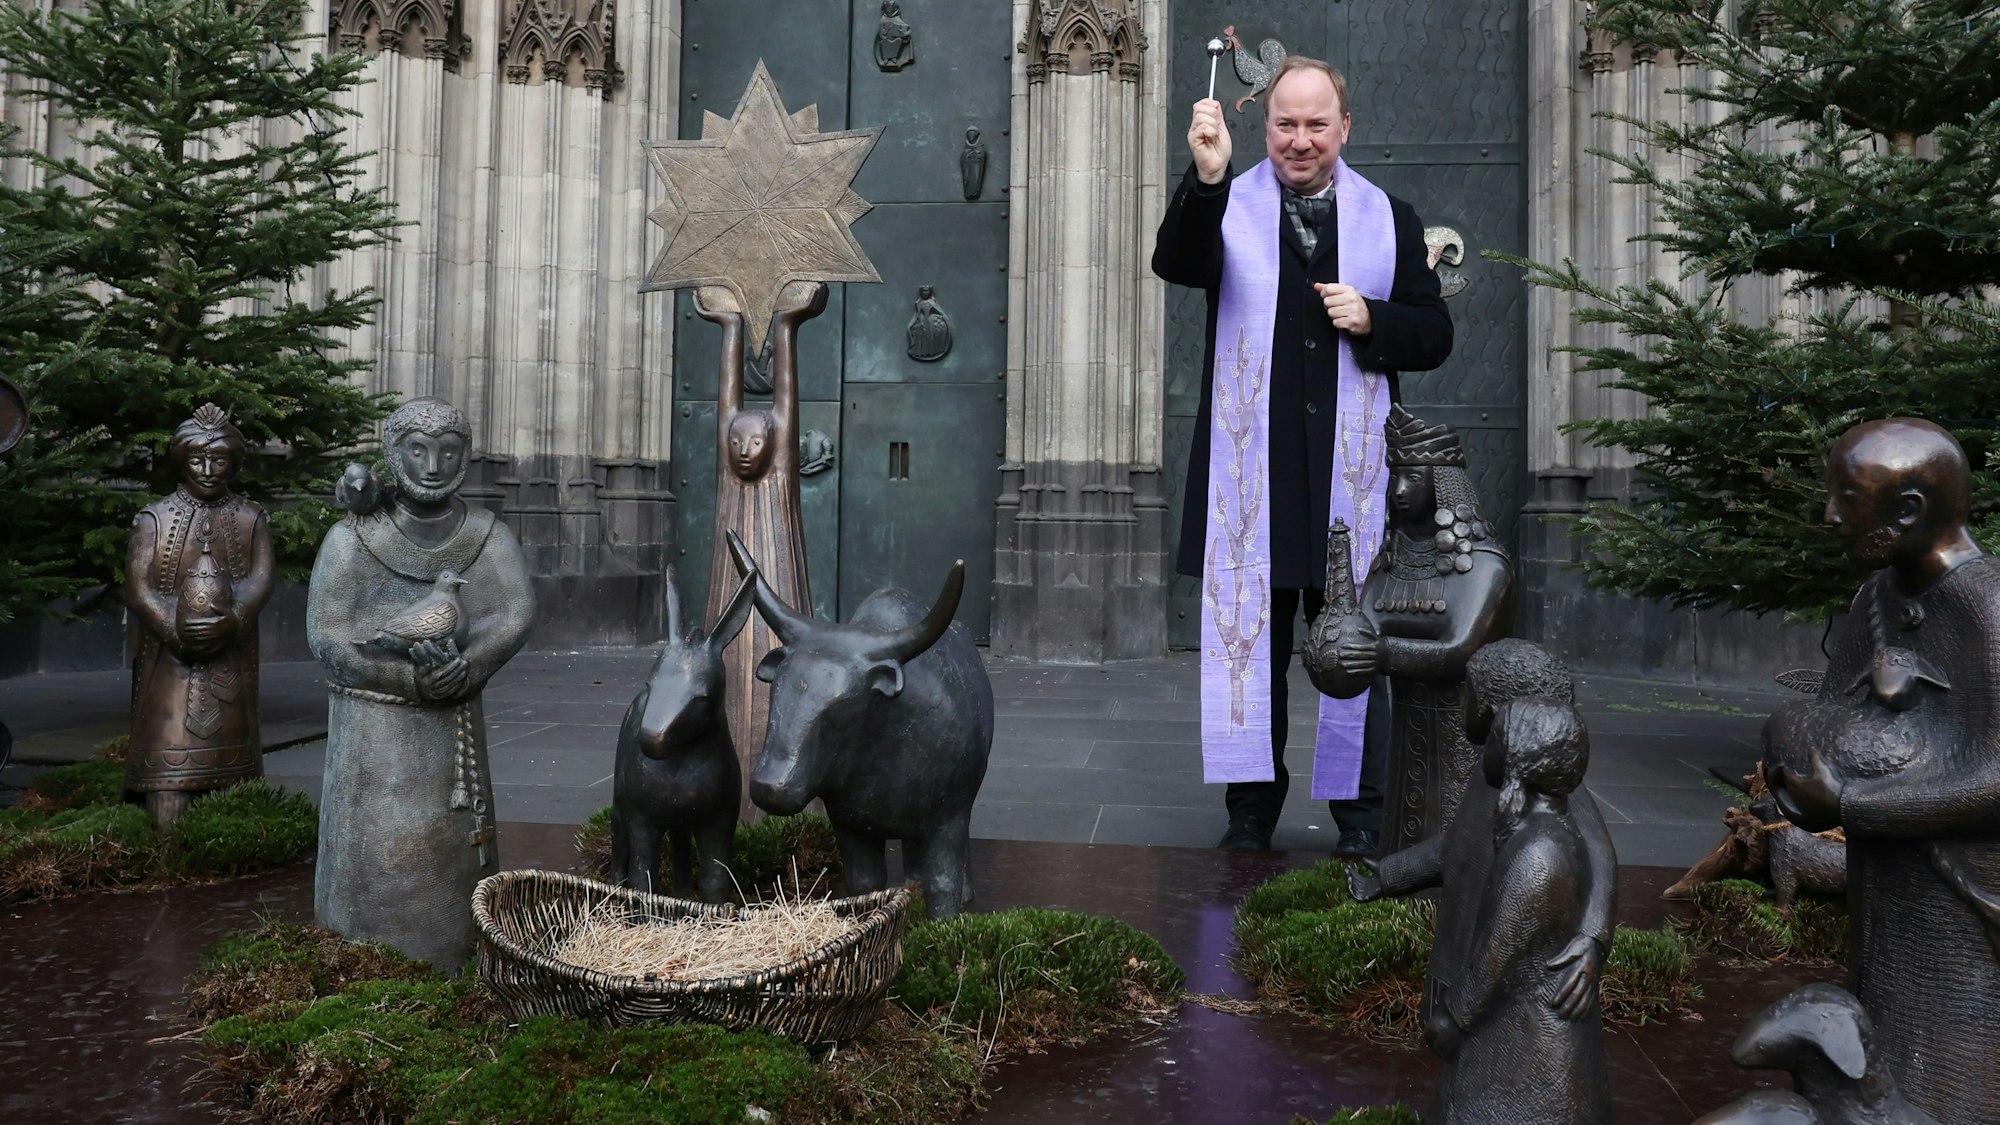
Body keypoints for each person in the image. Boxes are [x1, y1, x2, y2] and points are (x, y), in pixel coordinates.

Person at [1151, 55, 1453, 853]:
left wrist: (1376, 319)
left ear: (1343, 128)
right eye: (1286, 123)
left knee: (1353, 645)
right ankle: (1250, 815)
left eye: (1317, 124)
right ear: (1266, 126)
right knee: (1255, 644)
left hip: (1349, 484)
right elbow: (1174, 262)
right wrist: (1206, 177)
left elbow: (1435, 334)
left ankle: (1359, 820)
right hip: (1254, 473)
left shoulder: (1391, 218)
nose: (1300, 139)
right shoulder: (1229, 203)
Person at [1764, 418, 2000, 1125]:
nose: (1830, 515)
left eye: (1845, 496)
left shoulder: (1988, 610)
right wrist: (1803, 771)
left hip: (1963, 893)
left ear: (1907, 511)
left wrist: (1857, 805)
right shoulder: (1878, 598)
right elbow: (1831, 717)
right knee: (1889, 1031)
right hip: (1889, 877)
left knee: (1954, 1065)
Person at [308, 397, 537, 972]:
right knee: (373, 857)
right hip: (372, 737)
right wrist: (406, 678)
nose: (433, 465)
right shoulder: (351, 540)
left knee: (450, 853)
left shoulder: (485, 536)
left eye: (448, 451)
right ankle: (360, 957)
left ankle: (460, 959)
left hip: (452, 730)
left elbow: (514, 610)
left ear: (465, 456)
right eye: (418, 450)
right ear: (394, 453)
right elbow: (329, 635)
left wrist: (471, 664)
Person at [1351, 640, 1617, 1087]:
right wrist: (1386, 875)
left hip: (1503, 976)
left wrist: (1592, 939)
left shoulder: (1552, 791)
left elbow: (1601, 858)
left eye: (1468, 696)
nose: (1462, 705)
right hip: (1462, 948)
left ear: (1496, 711)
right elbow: (1453, 848)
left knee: (1491, 1066)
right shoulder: (1493, 775)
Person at [125, 404, 275, 829]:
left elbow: (261, 579)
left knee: (234, 765)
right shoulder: (155, 519)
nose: (208, 469)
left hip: (230, 655)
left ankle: (232, 852)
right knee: (166, 771)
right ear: (182, 459)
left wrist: (236, 618)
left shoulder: (252, 517)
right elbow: (139, 589)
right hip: (170, 660)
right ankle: (166, 851)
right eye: (197, 459)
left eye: (219, 459)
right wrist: (174, 629)